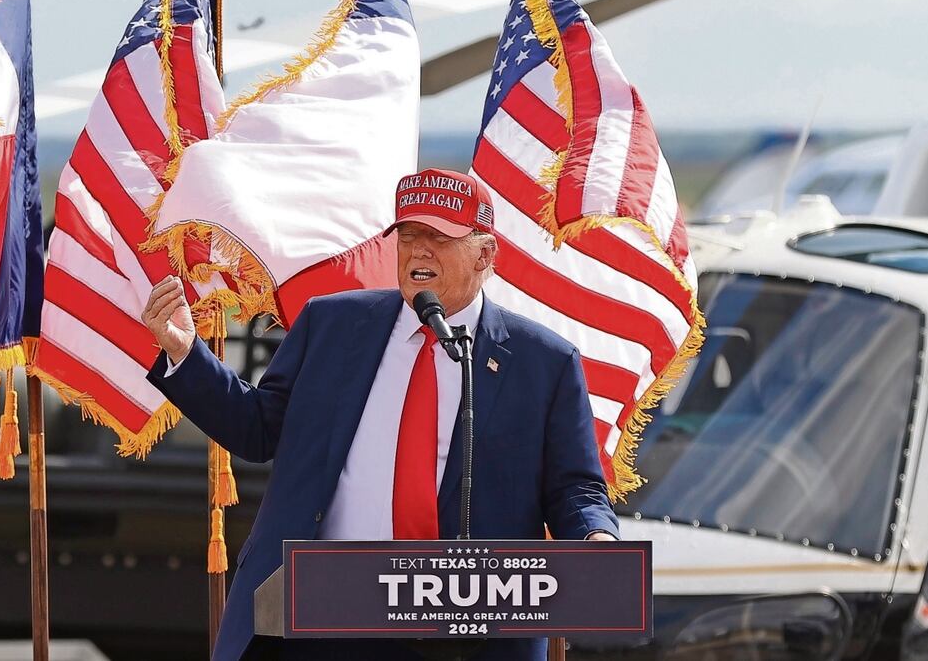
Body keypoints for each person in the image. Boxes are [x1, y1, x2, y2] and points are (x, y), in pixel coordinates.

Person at [142, 168, 619, 660]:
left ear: (484, 254)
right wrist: (186, 354)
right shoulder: (331, 324)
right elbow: (258, 429)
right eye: (408, 236)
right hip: (319, 613)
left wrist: (596, 537)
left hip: (466, 632)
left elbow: (574, 488)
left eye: (439, 238)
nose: (419, 252)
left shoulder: (543, 363)